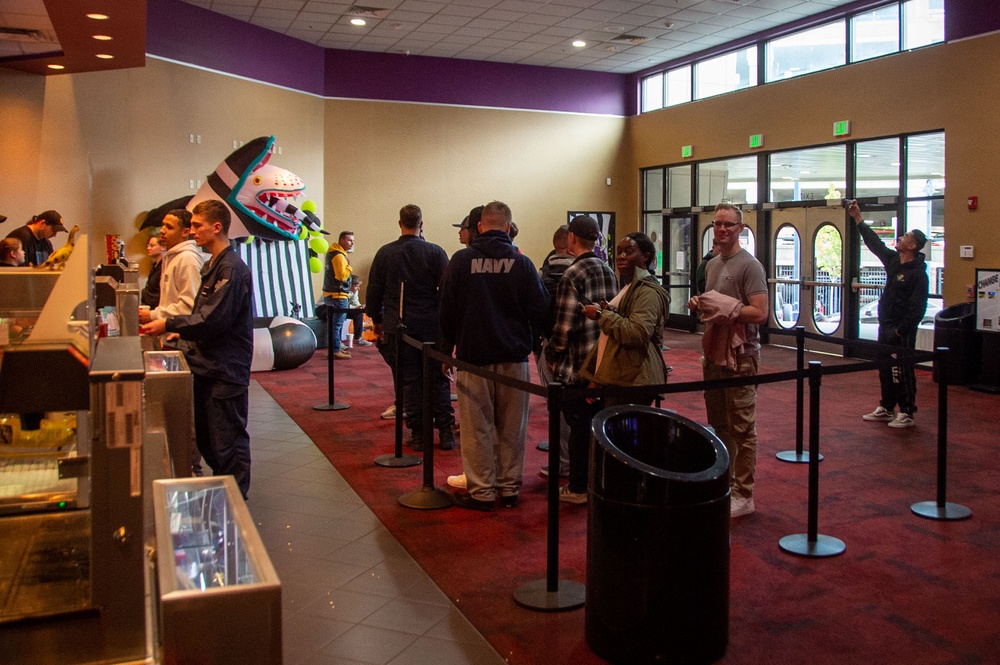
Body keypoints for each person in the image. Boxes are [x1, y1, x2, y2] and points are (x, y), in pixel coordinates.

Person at [140, 199, 254, 499]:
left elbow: (213, 319)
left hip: (225, 368)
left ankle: (234, 498)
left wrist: (168, 324)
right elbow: (200, 312)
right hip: (206, 363)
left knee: (227, 439)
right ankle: (222, 491)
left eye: (196, 225)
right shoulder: (213, 264)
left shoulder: (231, 268)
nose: (192, 231)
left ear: (217, 227)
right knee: (210, 440)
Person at [439, 201, 549, 511]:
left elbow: (446, 310)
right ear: (509, 228)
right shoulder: (523, 263)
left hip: (473, 358)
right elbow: (540, 309)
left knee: (477, 429)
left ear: (481, 227)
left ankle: (483, 493)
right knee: (512, 427)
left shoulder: (461, 261)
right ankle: (510, 489)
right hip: (514, 359)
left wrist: (446, 351)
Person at [687, 203, 768, 518]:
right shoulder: (711, 265)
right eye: (717, 224)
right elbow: (714, 306)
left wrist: (728, 308)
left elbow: (760, 312)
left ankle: (744, 493)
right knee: (719, 424)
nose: (721, 230)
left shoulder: (750, 266)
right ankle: (727, 481)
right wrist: (702, 304)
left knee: (742, 427)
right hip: (713, 353)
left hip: (741, 357)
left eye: (728, 225)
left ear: (740, 229)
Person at [367, 204, 455, 450]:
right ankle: (446, 431)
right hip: (431, 325)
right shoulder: (435, 252)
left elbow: (374, 291)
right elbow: (447, 291)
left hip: (399, 326)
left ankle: (418, 433)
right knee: (438, 379)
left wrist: (377, 321)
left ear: (399, 223)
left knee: (410, 381)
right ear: (422, 224)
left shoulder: (385, 253)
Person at [544, 215, 618, 505]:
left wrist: (552, 355)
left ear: (572, 238)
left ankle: (577, 487)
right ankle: (598, 482)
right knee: (598, 425)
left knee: (577, 426)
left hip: (576, 365)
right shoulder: (607, 269)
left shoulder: (571, 275)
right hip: (601, 361)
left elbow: (564, 326)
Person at [850, 200, 929, 429]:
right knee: (884, 366)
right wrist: (858, 219)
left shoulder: (918, 275)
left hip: (900, 330)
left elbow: (917, 308)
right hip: (885, 325)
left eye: (905, 236)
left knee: (901, 369)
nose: (901, 238)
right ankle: (886, 406)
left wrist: (900, 329)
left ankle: (907, 411)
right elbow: (874, 244)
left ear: (912, 245)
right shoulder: (894, 261)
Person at [579, 232, 670, 404]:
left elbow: (637, 333)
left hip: (634, 380)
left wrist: (600, 314)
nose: (621, 256)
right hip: (621, 376)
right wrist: (596, 378)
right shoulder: (630, 286)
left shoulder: (648, 291)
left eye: (629, 251)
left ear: (645, 256)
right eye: (619, 251)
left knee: (628, 430)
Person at [139, 209, 206, 323]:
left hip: (180, 335)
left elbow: (190, 306)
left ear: (185, 232)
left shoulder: (187, 259)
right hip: (168, 330)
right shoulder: (171, 257)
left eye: (169, 227)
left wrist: (153, 315)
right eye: (163, 225)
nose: (162, 230)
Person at [323, 231, 354, 360]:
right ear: (341, 240)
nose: (352, 243)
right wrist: (349, 268)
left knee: (336, 323)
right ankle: (335, 350)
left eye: (353, 241)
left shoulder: (332, 253)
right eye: (349, 240)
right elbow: (341, 276)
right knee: (337, 324)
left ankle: (336, 347)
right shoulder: (339, 256)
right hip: (338, 294)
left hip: (331, 293)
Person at [346, 275, 372, 347]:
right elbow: (342, 305)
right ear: (350, 285)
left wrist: (360, 306)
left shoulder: (354, 291)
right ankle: (337, 342)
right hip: (325, 308)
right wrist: (355, 307)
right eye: (356, 286)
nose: (358, 288)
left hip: (344, 308)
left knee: (358, 313)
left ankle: (358, 339)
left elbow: (355, 303)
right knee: (340, 315)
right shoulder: (343, 290)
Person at [141, 235, 166, 308]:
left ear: (163, 247)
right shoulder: (155, 265)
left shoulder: (165, 266)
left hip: (157, 309)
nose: (148, 248)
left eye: (152, 246)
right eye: (148, 245)